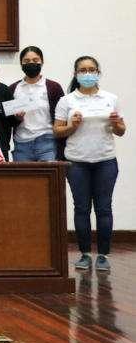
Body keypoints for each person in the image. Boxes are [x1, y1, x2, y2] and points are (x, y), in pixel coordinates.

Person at [54, 56, 125, 272]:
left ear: (98, 73)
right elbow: (57, 131)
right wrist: (71, 126)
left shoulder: (110, 98)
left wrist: (117, 124)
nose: (87, 74)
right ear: (76, 74)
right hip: (77, 162)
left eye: (91, 70)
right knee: (81, 209)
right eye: (83, 70)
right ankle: (84, 254)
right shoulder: (66, 101)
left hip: (105, 160)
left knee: (104, 208)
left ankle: (103, 255)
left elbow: (121, 131)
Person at [8, 46, 65, 162]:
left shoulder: (53, 87)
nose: (31, 63)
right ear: (21, 64)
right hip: (21, 143)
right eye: (26, 61)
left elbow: (62, 116)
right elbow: (8, 120)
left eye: (35, 60)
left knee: (49, 174)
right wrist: (17, 118)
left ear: (42, 62)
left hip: (47, 141)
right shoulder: (13, 88)